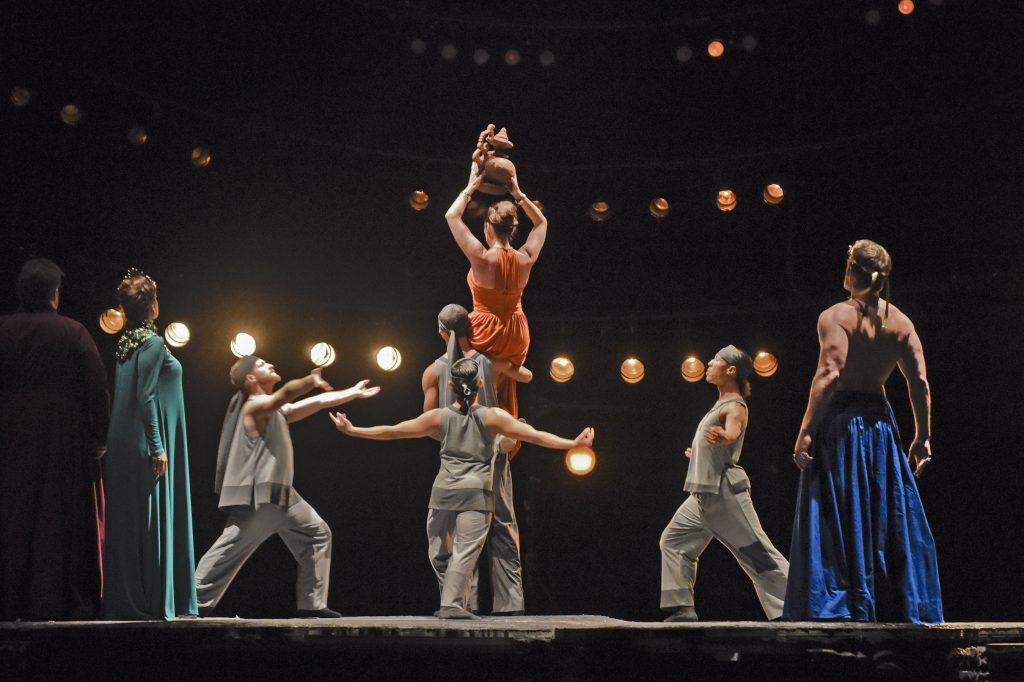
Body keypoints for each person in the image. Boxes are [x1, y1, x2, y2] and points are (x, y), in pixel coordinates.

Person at [331, 356, 594, 620]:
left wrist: (354, 430)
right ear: (480, 383)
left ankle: (454, 603)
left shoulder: (439, 417)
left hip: (443, 494)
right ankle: (453, 605)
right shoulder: (493, 417)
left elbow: (393, 431)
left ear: (450, 387)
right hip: (475, 496)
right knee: (463, 553)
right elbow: (536, 436)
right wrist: (573, 443)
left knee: (441, 555)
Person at [784, 240, 942, 623]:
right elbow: (918, 382)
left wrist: (806, 429)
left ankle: (841, 603)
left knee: (838, 512)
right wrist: (922, 435)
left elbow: (829, 373)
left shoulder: (836, 316)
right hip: (879, 426)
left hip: (840, 422)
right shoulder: (901, 323)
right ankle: (892, 602)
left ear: (852, 271)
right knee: (883, 511)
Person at [194, 357, 380, 618]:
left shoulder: (275, 411)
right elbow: (284, 396)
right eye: (261, 364)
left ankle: (311, 605)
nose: (269, 363)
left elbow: (315, 402)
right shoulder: (253, 406)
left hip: (283, 494)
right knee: (229, 548)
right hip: (260, 496)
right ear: (251, 378)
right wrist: (309, 381)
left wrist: (353, 392)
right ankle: (194, 602)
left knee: (317, 534)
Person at [0, 258, 109, 621]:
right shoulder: (73, 331)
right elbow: (96, 387)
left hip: (9, 434)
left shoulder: (3, 329)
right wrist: (99, 434)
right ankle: (56, 600)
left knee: (13, 515)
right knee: (57, 518)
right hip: (61, 436)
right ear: (55, 294)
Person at [660, 345, 790, 623]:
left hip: (724, 494)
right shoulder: (719, 404)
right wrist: (700, 454)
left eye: (716, 360)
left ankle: (801, 602)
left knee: (757, 554)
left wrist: (726, 436)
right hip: (702, 496)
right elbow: (717, 445)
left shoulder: (735, 405)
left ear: (730, 370)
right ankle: (682, 608)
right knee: (674, 541)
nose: (709, 362)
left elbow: (733, 429)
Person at [421, 303, 532, 615]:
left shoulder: (433, 371)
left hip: (456, 461)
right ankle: (510, 605)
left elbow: (429, 425)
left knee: (450, 535)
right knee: (502, 527)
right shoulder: (489, 362)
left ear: (441, 332)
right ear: (471, 329)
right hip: (493, 455)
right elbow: (527, 376)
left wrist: (459, 434)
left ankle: (457, 601)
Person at [102, 269, 196, 620]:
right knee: (146, 519)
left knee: (131, 519)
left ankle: (131, 597)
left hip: (124, 437)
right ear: (153, 306)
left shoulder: (126, 343)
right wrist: (157, 445)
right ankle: (150, 599)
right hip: (146, 438)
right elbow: (146, 395)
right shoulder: (153, 344)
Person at [445, 163, 547, 433]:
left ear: (489, 228)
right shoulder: (524, 258)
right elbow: (541, 223)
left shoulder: (481, 256)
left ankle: (474, 432)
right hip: (516, 331)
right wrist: (518, 193)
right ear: (512, 229)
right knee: (503, 383)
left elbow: (452, 216)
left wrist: (471, 187)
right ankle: (505, 431)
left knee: (473, 384)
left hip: (486, 329)